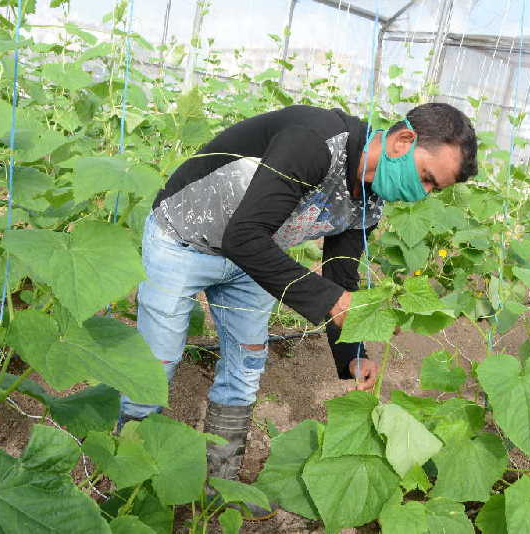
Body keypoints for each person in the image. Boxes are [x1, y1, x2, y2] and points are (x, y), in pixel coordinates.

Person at [119, 102, 477, 517]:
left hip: (254, 260)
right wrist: (329, 301)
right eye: (428, 178)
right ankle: (132, 490)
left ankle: (218, 488)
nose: (424, 192)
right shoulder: (316, 142)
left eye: (435, 189)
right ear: (403, 141)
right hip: (184, 238)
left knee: (245, 371)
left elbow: (341, 280)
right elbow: (245, 234)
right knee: (154, 367)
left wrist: (353, 357)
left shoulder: (371, 201)